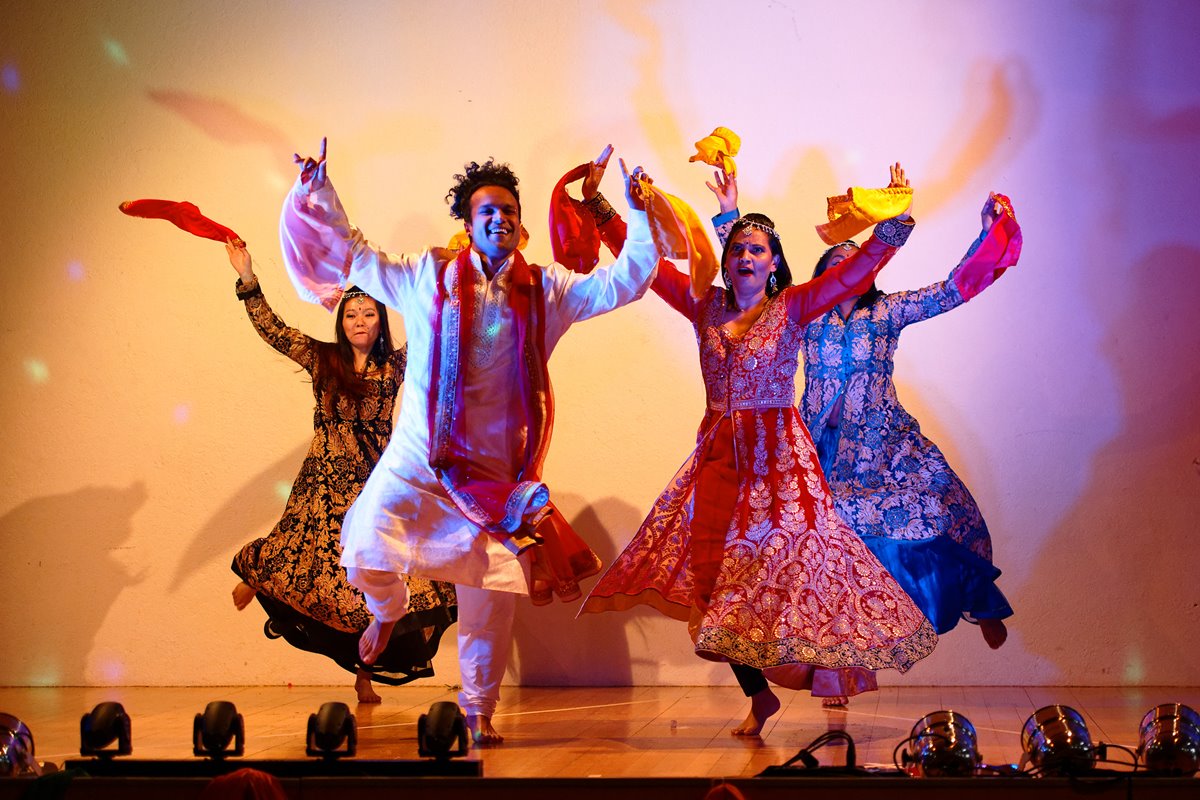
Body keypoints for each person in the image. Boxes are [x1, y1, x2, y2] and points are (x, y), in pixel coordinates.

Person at [278, 139, 661, 744]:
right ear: (466, 221)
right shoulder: (424, 275)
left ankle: (479, 710)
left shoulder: (547, 289)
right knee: (365, 548)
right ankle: (387, 611)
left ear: (519, 223)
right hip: (419, 461)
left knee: (490, 597)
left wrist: (637, 214)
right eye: (487, 210)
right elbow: (355, 255)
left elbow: (626, 282)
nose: (500, 218)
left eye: (509, 210)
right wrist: (317, 191)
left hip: (494, 476)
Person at [573, 156, 937, 735]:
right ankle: (757, 695)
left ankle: (824, 677)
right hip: (720, 459)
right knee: (711, 582)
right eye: (738, 248)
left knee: (793, 571)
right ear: (726, 259)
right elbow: (647, 266)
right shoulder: (704, 304)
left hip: (780, 465)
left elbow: (854, 274)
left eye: (758, 249)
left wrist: (894, 220)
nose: (746, 255)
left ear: (773, 264)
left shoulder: (792, 307)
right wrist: (601, 206)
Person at [707, 166, 1018, 649]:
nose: (846, 266)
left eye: (854, 260)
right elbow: (751, 278)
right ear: (823, 275)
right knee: (815, 534)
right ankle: (831, 651)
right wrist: (730, 213)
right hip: (816, 449)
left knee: (938, 511)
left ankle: (978, 600)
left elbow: (951, 291)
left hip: (884, 446)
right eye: (835, 261)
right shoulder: (803, 314)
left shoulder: (888, 310)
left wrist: (986, 238)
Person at [225, 240, 456, 703]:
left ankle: (364, 675)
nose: (360, 322)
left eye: (369, 314)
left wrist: (451, 285)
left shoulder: (394, 366)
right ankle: (259, 574)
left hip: (374, 483)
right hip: (324, 482)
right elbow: (275, 331)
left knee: (382, 582)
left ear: (381, 321)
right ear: (341, 321)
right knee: (303, 558)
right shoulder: (322, 359)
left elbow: (437, 332)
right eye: (351, 315)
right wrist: (247, 277)